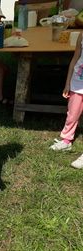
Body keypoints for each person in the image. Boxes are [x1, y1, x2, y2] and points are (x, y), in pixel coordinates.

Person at [49, 32, 83, 169]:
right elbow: (75, 58)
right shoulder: (82, 35)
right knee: (72, 113)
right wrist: (68, 83)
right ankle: (66, 140)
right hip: (77, 82)